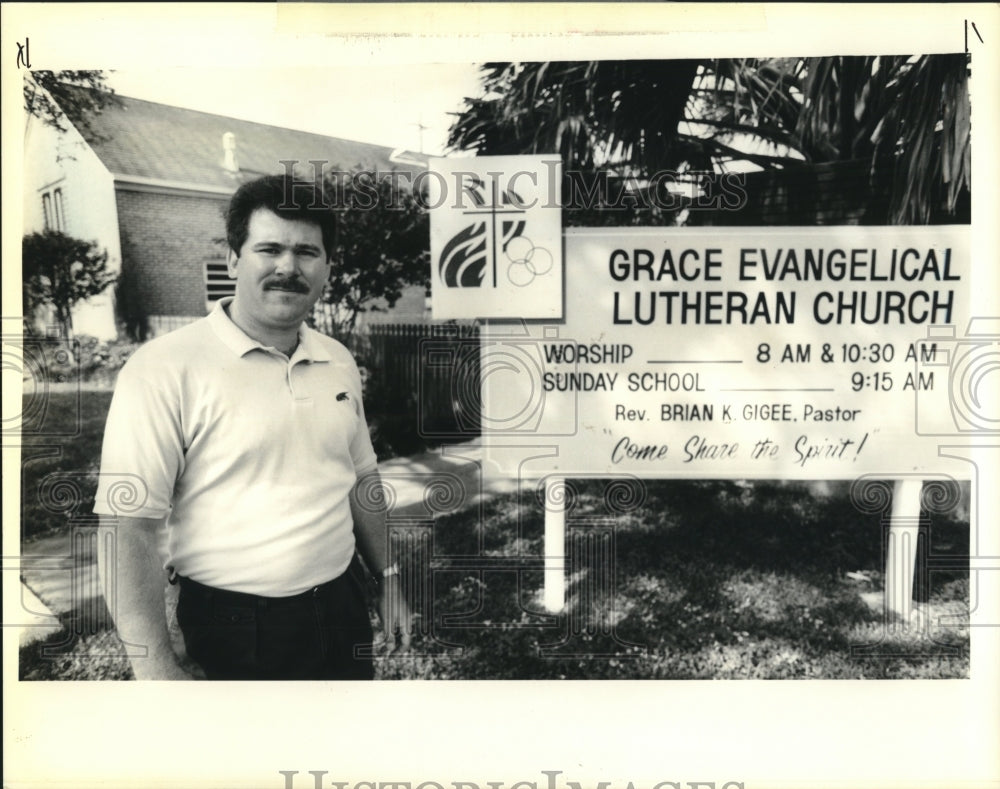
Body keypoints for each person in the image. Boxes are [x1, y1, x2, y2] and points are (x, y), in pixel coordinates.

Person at [94, 174, 410, 680]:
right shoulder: (164, 368)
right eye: (269, 248)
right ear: (234, 259)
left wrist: (389, 579)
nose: (289, 266)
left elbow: (362, 479)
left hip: (341, 607)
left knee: (343, 750)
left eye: (307, 251)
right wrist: (155, 672)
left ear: (327, 266)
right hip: (231, 626)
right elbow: (125, 527)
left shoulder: (338, 359)